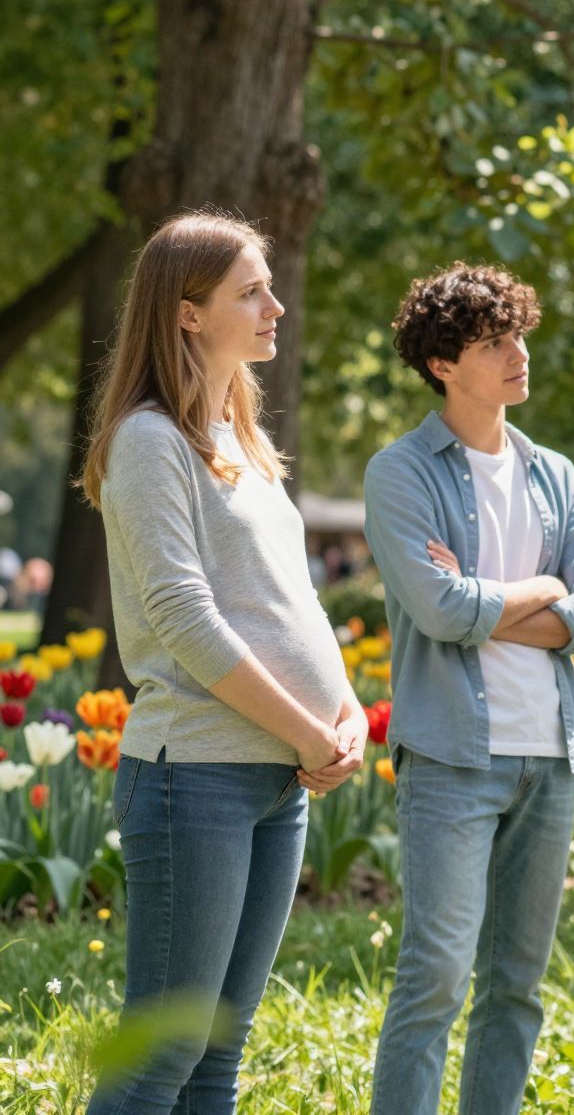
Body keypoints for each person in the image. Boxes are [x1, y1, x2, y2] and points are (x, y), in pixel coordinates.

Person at [80, 211, 362, 1115]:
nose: (276, 305)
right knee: (160, 1059)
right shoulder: (149, 440)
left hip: (278, 778)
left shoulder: (241, 439)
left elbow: (293, 600)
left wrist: (347, 711)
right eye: (252, 291)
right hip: (193, 776)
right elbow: (185, 621)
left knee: (218, 1057)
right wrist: (310, 731)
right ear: (189, 313)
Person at [365, 264, 574, 1115]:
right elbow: (437, 609)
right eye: (494, 342)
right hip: (451, 757)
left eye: (519, 335)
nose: (519, 354)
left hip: (550, 755)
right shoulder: (400, 473)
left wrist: (489, 599)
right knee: (435, 975)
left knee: (518, 984)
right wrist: (543, 590)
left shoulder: (554, 474)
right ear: (442, 364)